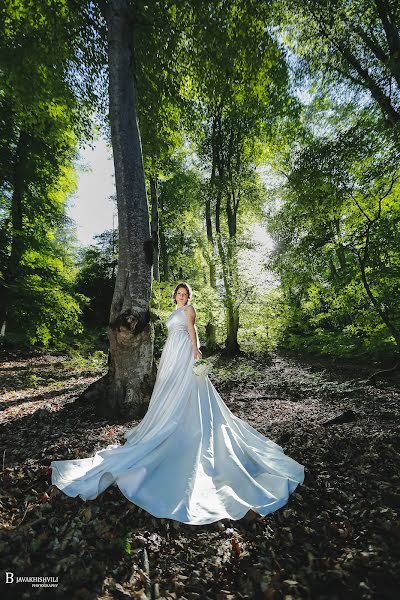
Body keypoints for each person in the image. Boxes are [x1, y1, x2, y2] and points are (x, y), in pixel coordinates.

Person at [51, 282, 305, 525]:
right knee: (169, 388)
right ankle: (168, 415)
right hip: (172, 351)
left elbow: (191, 330)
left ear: (188, 297)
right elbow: (174, 331)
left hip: (184, 350)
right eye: (179, 294)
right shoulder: (175, 311)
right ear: (175, 296)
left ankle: (185, 419)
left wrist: (196, 352)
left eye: (185, 294)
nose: (182, 297)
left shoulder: (189, 311)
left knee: (186, 387)